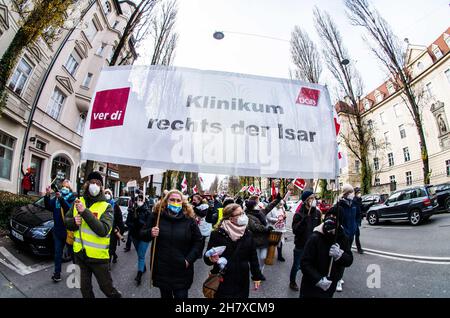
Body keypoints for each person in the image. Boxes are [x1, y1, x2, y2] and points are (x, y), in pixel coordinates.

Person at [65, 171, 121, 298]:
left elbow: (103, 230)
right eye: (92, 183)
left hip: (98, 258)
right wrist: (73, 222)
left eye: (98, 183)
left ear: (101, 187)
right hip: (80, 255)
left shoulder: (107, 206)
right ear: (87, 184)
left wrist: (84, 211)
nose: (94, 185)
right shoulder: (78, 201)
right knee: (85, 289)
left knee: (107, 289)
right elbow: (67, 221)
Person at [140, 190, 203, 298]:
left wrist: (189, 260)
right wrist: (150, 232)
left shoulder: (189, 220)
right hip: (162, 269)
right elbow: (142, 234)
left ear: (182, 203)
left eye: (178, 200)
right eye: (172, 199)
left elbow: (198, 241)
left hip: (182, 270)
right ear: (166, 201)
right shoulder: (157, 216)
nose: (175, 202)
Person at [204, 203, 263, 298]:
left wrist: (256, 276)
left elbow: (253, 257)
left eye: (243, 213)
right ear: (230, 218)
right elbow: (207, 258)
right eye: (239, 214)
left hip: (242, 280)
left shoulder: (247, 233)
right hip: (223, 279)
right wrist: (211, 259)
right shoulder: (217, 234)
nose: (243, 216)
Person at [299, 212, 353, 298]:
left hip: (330, 286)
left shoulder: (343, 238)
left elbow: (349, 260)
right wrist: (318, 279)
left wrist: (340, 255)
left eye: (334, 216)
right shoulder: (315, 237)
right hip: (310, 287)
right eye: (329, 216)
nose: (331, 219)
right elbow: (305, 263)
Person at [326, 183, 358, 292]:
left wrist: (356, 227)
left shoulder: (353, 204)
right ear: (346, 193)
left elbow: (357, 216)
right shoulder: (339, 206)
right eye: (350, 192)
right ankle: (337, 280)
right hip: (342, 236)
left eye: (352, 192)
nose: (352, 194)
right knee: (339, 257)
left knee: (345, 257)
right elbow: (333, 219)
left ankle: (340, 277)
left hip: (351, 234)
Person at [289, 191, 322, 291]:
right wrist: (304, 221)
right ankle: (292, 282)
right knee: (296, 265)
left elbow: (319, 228)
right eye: (311, 198)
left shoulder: (317, 213)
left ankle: (309, 282)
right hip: (301, 245)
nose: (314, 200)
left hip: (313, 245)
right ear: (306, 201)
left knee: (310, 266)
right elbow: (295, 230)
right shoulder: (298, 214)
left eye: (314, 198)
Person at [44, 179, 76, 282]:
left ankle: (78, 271)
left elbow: (69, 209)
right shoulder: (57, 198)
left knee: (73, 254)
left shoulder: (72, 198)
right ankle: (57, 274)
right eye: (63, 186)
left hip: (68, 232)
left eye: (67, 186)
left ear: (70, 188)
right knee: (58, 254)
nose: (64, 188)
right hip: (58, 232)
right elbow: (49, 206)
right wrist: (47, 195)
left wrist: (61, 199)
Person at [125, 191, 152, 285]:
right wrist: (133, 223)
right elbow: (127, 223)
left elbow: (148, 225)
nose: (139, 201)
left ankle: (139, 275)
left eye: (141, 200)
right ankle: (143, 266)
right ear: (135, 201)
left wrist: (139, 221)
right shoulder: (132, 210)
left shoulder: (148, 212)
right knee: (140, 254)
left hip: (144, 237)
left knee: (141, 256)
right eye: (138, 200)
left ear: (144, 201)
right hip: (134, 236)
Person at [104, 189, 125, 264]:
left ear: (111, 195)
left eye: (108, 193)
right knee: (106, 248)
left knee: (111, 248)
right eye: (105, 193)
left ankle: (108, 264)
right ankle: (114, 256)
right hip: (104, 229)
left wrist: (121, 232)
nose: (107, 194)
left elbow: (120, 219)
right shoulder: (101, 204)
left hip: (113, 231)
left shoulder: (115, 206)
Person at [353, 187, 364, 254]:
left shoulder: (359, 200)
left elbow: (361, 208)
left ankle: (358, 248)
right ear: (355, 193)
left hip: (357, 219)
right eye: (358, 192)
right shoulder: (354, 200)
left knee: (356, 234)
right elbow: (355, 210)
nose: (359, 193)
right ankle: (359, 249)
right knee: (356, 234)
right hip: (354, 219)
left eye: (359, 192)